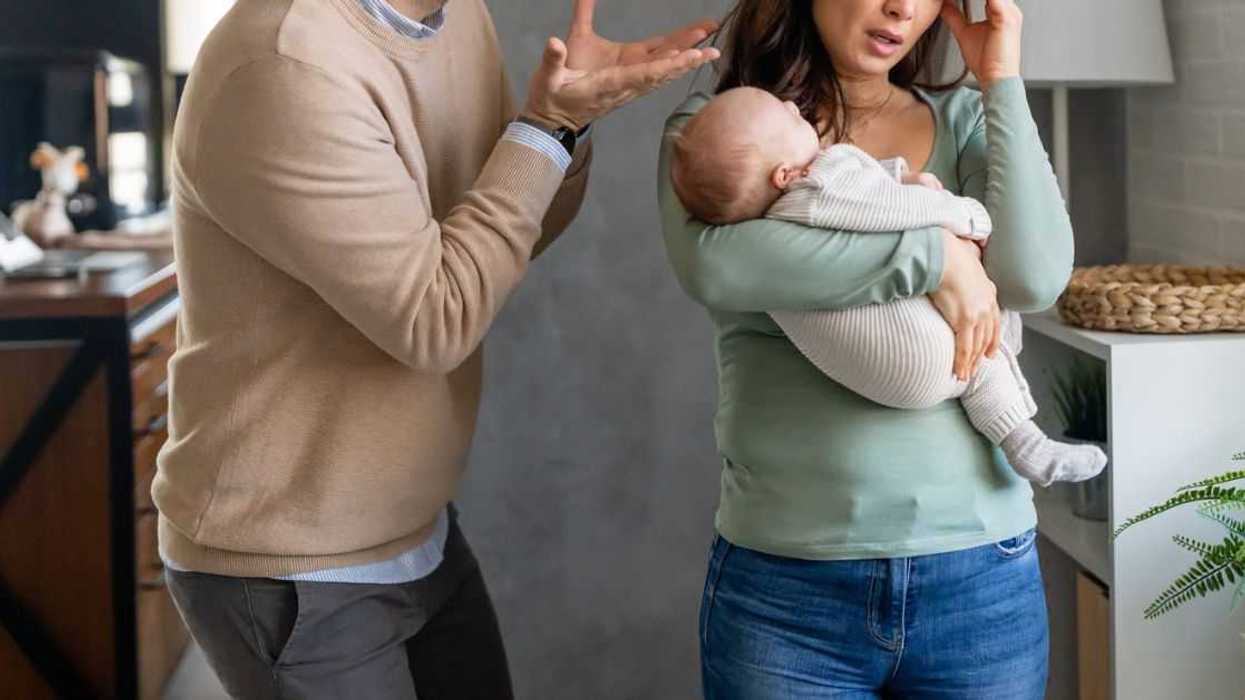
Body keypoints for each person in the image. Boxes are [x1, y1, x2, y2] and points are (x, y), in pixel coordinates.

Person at [154, 0, 717, 697]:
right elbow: (436, 316)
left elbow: (496, 242)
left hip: (414, 526)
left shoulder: (454, 18)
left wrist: (565, 126)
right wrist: (544, 129)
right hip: (295, 560)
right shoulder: (284, 62)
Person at [657, 0, 1068, 696]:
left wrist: (998, 78)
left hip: (979, 578)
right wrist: (935, 256)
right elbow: (717, 267)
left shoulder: (967, 120)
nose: (901, 7)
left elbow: (1032, 277)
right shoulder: (724, 129)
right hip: (785, 595)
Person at [670, 86, 1106, 487]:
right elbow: (881, 206)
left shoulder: (776, 215)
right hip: (914, 353)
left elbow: (864, 194)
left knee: (979, 356)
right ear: (784, 175)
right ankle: (1022, 439)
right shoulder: (816, 181)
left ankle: (1025, 445)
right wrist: (961, 219)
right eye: (785, 118)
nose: (790, 106)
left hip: (894, 374)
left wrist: (901, 175)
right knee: (984, 347)